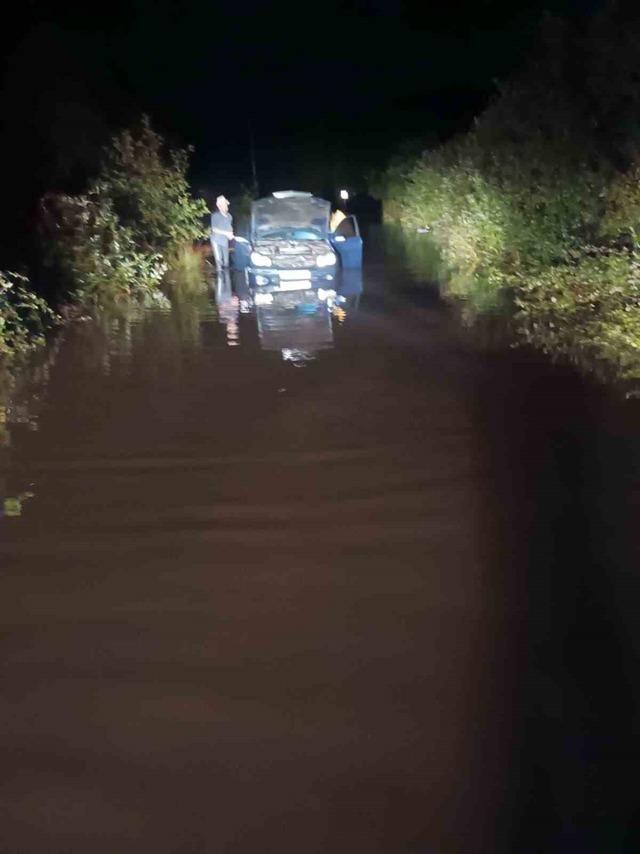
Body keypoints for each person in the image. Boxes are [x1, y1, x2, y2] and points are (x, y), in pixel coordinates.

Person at [210, 195, 235, 269]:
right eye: (224, 204)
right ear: (219, 206)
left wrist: (231, 234)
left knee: (226, 263)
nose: (226, 206)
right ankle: (220, 277)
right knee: (219, 263)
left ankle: (227, 279)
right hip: (216, 241)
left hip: (225, 241)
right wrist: (226, 233)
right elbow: (214, 229)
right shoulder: (215, 216)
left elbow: (230, 228)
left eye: (226, 204)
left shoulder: (230, 216)